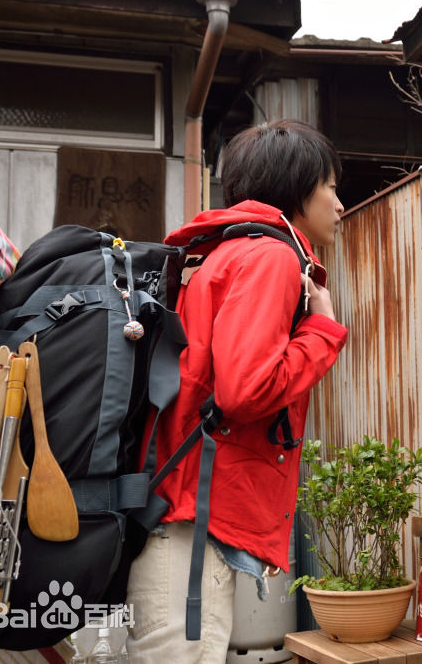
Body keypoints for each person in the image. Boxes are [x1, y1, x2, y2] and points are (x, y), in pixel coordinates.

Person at [125, 119, 348, 662]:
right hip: (187, 529)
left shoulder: (218, 253)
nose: (340, 204)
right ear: (296, 187)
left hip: (178, 512)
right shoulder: (269, 257)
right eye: (331, 187)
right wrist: (323, 329)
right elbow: (245, 391)